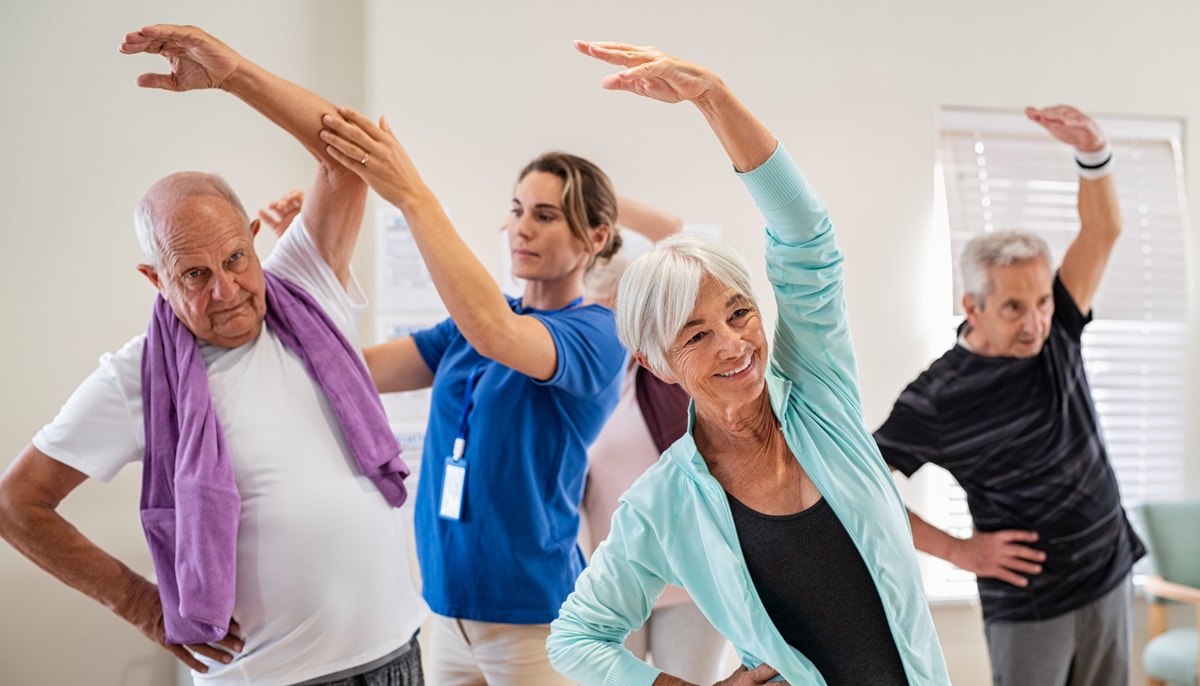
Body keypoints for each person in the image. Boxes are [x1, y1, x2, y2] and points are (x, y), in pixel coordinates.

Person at [0, 25, 426, 686]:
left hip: (399, 656)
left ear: (256, 240)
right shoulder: (135, 377)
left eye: (235, 259)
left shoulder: (305, 289)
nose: (226, 290)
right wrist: (141, 606)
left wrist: (234, 77)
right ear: (156, 280)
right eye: (194, 275)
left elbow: (344, 148)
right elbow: (16, 504)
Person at [548, 41, 951, 686]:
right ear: (656, 364)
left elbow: (805, 233)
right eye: (696, 334)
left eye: (739, 314)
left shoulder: (820, 395)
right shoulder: (665, 500)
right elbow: (576, 637)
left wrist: (713, 97)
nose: (734, 345)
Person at [316, 83, 628, 683]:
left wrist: (413, 197)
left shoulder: (597, 333)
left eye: (544, 215)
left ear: (595, 236)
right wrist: (308, 271)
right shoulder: (470, 328)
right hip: (447, 609)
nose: (521, 229)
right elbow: (354, 371)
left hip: (536, 621)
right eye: (516, 210)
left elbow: (493, 331)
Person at [873, 106, 1143, 686]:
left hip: (1108, 569)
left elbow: (1103, 231)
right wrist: (959, 551)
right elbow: (862, 489)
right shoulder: (938, 397)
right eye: (1013, 307)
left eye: (1041, 300)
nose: (1035, 322)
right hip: (1029, 605)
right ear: (971, 306)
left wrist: (1093, 152)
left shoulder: (1058, 328)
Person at [580, 199, 730, 685]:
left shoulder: (671, 372)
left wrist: (597, 199)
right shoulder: (582, 383)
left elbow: (674, 233)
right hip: (615, 584)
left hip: (691, 585)